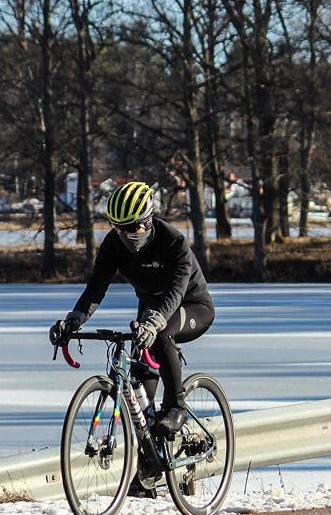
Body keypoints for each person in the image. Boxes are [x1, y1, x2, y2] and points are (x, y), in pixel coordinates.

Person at [50, 181, 214, 436]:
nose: (127, 235)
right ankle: (147, 468)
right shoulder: (113, 245)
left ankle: (176, 407)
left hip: (191, 306)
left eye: (133, 227)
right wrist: (74, 320)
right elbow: (95, 288)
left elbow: (175, 292)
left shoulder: (173, 242)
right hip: (149, 311)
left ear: (149, 220)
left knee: (160, 335)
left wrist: (155, 322)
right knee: (140, 406)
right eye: (119, 228)